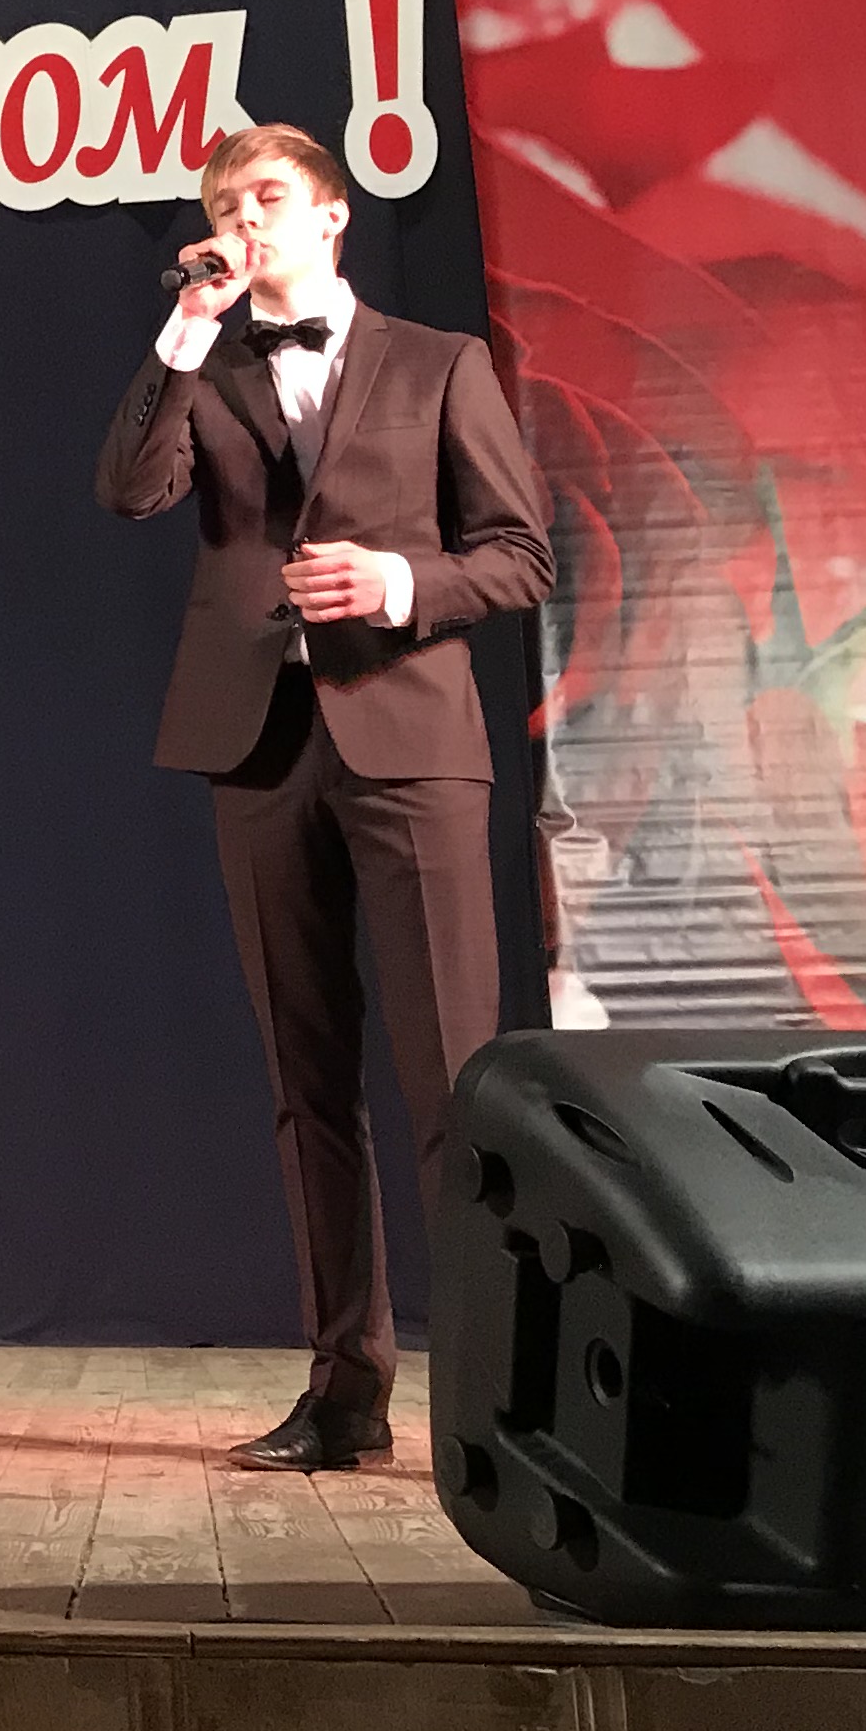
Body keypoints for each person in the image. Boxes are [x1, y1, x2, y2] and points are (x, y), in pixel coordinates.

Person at [97, 124, 552, 1470]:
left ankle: (496, 1405)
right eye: (225, 204)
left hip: (410, 743)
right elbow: (128, 490)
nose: (246, 219)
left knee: (453, 1080)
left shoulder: (438, 364)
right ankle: (344, 1393)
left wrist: (400, 584)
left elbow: (521, 555)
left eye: (269, 197)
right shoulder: (206, 364)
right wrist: (186, 330)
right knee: (309, 1086)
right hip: (260, 745)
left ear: (333, 215)